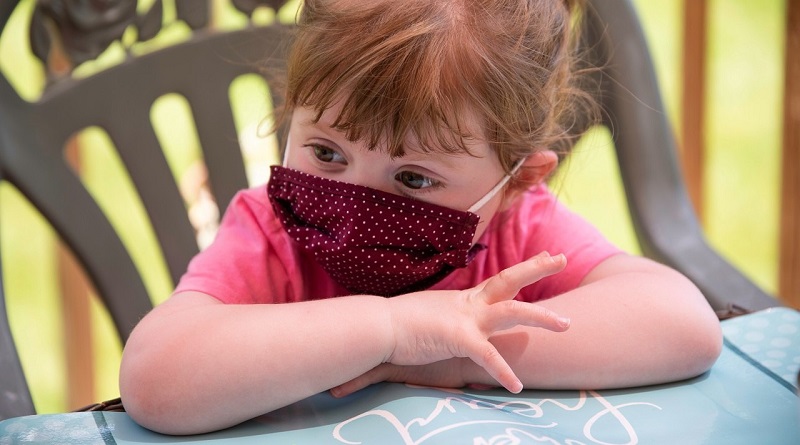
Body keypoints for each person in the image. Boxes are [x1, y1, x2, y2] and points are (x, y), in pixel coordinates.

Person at [119, 0, 722, 435]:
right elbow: (154, 379)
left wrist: (453, 354)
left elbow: (684, 324)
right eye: (327, 152)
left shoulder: (519, 230)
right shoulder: (269, 234)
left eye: (413, 179)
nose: (354, 201)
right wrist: (391, 330)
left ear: (519, 183)